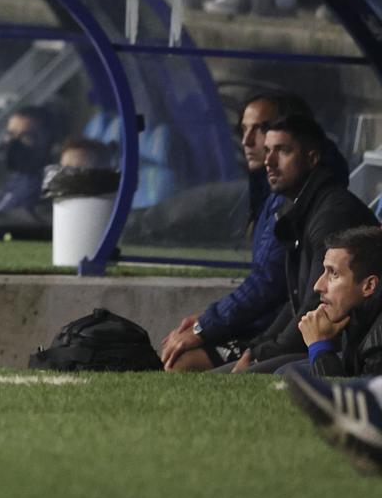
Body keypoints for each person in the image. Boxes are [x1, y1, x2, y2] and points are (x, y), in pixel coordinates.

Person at [159, 91, 306, 371]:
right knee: (173, 352)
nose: (247, 141)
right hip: (265, 327)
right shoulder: (267, 192)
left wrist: (206, 326)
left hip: (278, 333)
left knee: (181, 363)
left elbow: (268, 284)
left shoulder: (290, 200)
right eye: (243, 129)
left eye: (260, 129)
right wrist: (206, 320)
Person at [230, 113, 377, 372]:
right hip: (312, 340)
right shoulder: (298, 209)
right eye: (267, 151)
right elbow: (296, 300)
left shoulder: (330, 216)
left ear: (312, 157)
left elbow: (345, 402)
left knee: (270, 374)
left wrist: (317, 346)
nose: (269, 161)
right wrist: (257, 348)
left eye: (282, 151)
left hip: (315, 341)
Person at [296, 227, 382, 379]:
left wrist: (319, 345)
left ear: (368, 286)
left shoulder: (379, 341)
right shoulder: (356, 313)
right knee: (285, 371)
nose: (318, 286)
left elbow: (344, 401)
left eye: (333, 273)